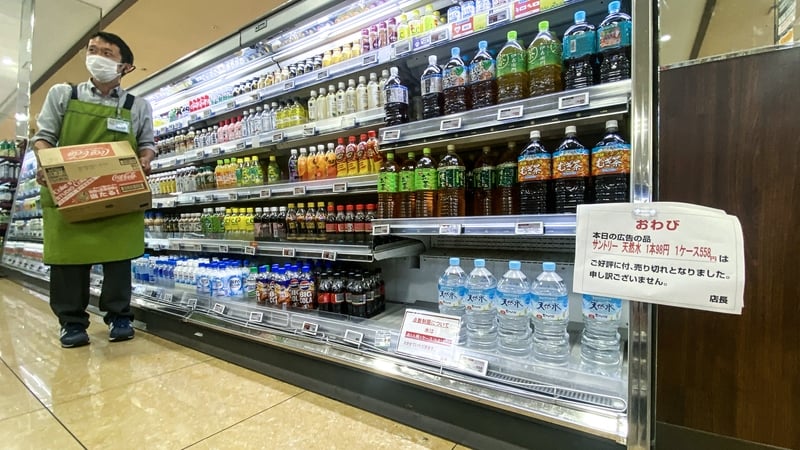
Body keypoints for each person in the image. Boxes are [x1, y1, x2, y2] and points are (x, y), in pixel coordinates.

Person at [32, 32, 156, 348]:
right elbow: (44, 137)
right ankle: (71, 323)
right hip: (70, 191)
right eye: (93, 50)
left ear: (125, 67)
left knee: (118, 259)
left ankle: (119, 316)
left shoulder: (137, 106)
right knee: (69, 262)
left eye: (107, 53)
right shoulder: (64, 95)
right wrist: (46, 164)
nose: (97, 56)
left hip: (117, 193)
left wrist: (145, 159)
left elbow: (147, 144)